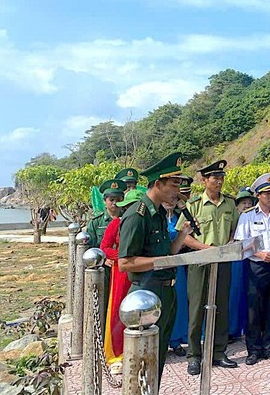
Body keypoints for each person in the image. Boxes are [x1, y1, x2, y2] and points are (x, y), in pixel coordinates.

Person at [117, 152, 193, 382]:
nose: (177, 192)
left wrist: (182, 235)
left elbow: (166, 253)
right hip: (147, 291)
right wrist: (160, 262)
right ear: (158, 183)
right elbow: (125, 262)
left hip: (167, 291)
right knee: (144, 358)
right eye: (173, 185)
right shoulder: (137, 215)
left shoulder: (160, 212)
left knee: (158, 355)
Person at [175, 160, 239, 375]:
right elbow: (184, 237)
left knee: (221, 306)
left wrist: (226, 247)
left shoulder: (230, 204)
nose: (219, 181)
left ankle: (219, 352)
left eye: (221, 177)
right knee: (196, 309)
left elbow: (234, 231)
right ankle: (194, 356)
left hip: (222, 262)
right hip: (199, 262)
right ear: (204, 180)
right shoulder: (192, 205)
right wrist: (207, 249)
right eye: (215, 177)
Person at [234, 173, 270, 365]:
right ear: (258, 195)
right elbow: (242, 242)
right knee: (254, 309)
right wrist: (261, 254)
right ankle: (254, 350)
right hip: (256, 266)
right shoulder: (248, 216)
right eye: (266, 193)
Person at [101, 188, 144, 373]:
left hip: (143, 271)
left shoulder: (145, 223)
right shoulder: (116, 224)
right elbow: (105, 247)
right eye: (127, 206)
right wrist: (122, 257)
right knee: (119, 310)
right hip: (121, 273)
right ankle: (117, 352)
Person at [87, 179, 126, 322]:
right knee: (104, 303)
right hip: (104, 269)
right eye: (111, 199)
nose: (114, 203)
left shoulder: (128, 218)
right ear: (105, 201)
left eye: (118, 199)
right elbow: (90, 247)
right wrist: (104, 259)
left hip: (124, 269)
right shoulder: (96, 222)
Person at [167, 177, 194, 357]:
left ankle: (177, 340)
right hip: (159, 266)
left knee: (180, 301)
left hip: (179, 264)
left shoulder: (180, 217)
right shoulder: (155, 218)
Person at [229, 188, 256, 343]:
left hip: (251, 258)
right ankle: (232, 329)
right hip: (235, 259)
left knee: (247, 294)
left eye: (249, 203)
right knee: (234, 293)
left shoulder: (253, 218)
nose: (246, 205)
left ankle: (244, 327)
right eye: (243, 203)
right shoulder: (234, 218)